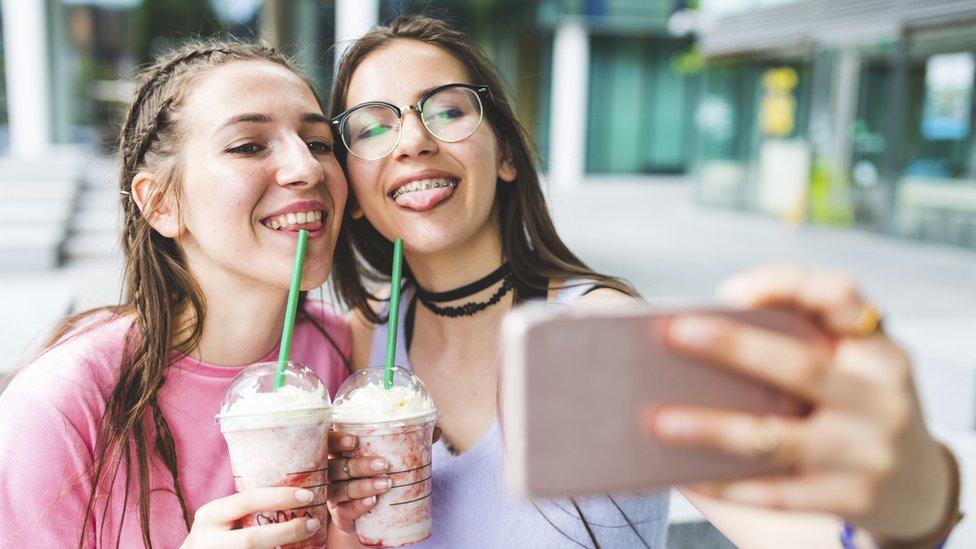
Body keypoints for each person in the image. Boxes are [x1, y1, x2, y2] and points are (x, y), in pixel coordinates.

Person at [327, 15, 961, 548]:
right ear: (352, 190)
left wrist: (910, 502)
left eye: (447, 110)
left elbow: (796, 529)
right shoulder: (364, 342)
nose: (411, 139)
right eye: (372, 127)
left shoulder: (600, 330)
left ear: (509, 155)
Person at [0, 40, 388, 548]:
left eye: (317, 143)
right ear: (160, 203)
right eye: (248, 145)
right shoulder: (61, 406)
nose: (308, 169)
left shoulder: (353, 363)